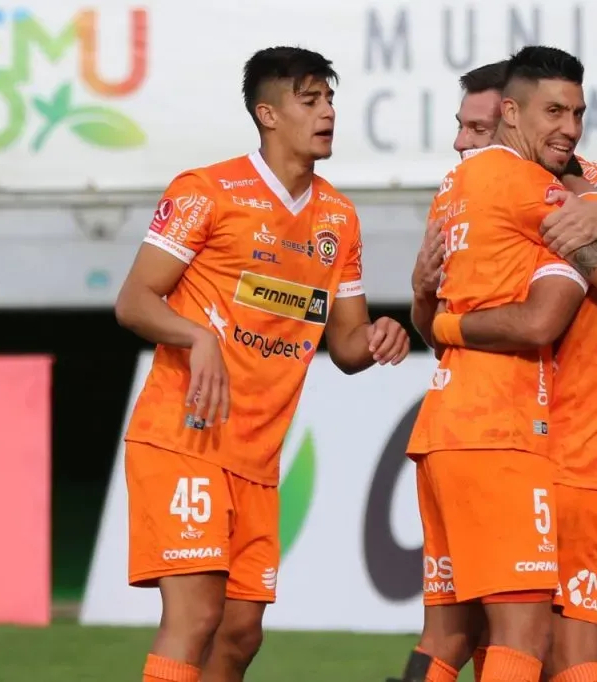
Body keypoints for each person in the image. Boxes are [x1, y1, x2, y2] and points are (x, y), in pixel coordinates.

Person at [113, 46, 410, 682]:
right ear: (268, 113)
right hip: (183, 436)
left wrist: (381, 334)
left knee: (241, 633)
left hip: (257, 456)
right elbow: (134, 300)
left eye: (330, 99)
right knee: (194, 618)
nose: (328, 111)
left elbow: (347, 346)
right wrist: (199, 338)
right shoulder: (205, 192)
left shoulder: (338, 217)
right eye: (311, 100)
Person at [396, 46, 597, 682]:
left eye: (576, 112)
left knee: (456, 633)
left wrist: (431, 308)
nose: (461, 144)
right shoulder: (536, 190)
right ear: (513, 114)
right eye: (554, 111)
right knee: (547, 640)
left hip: (476, 431)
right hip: (534, 444)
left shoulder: (473, 191)